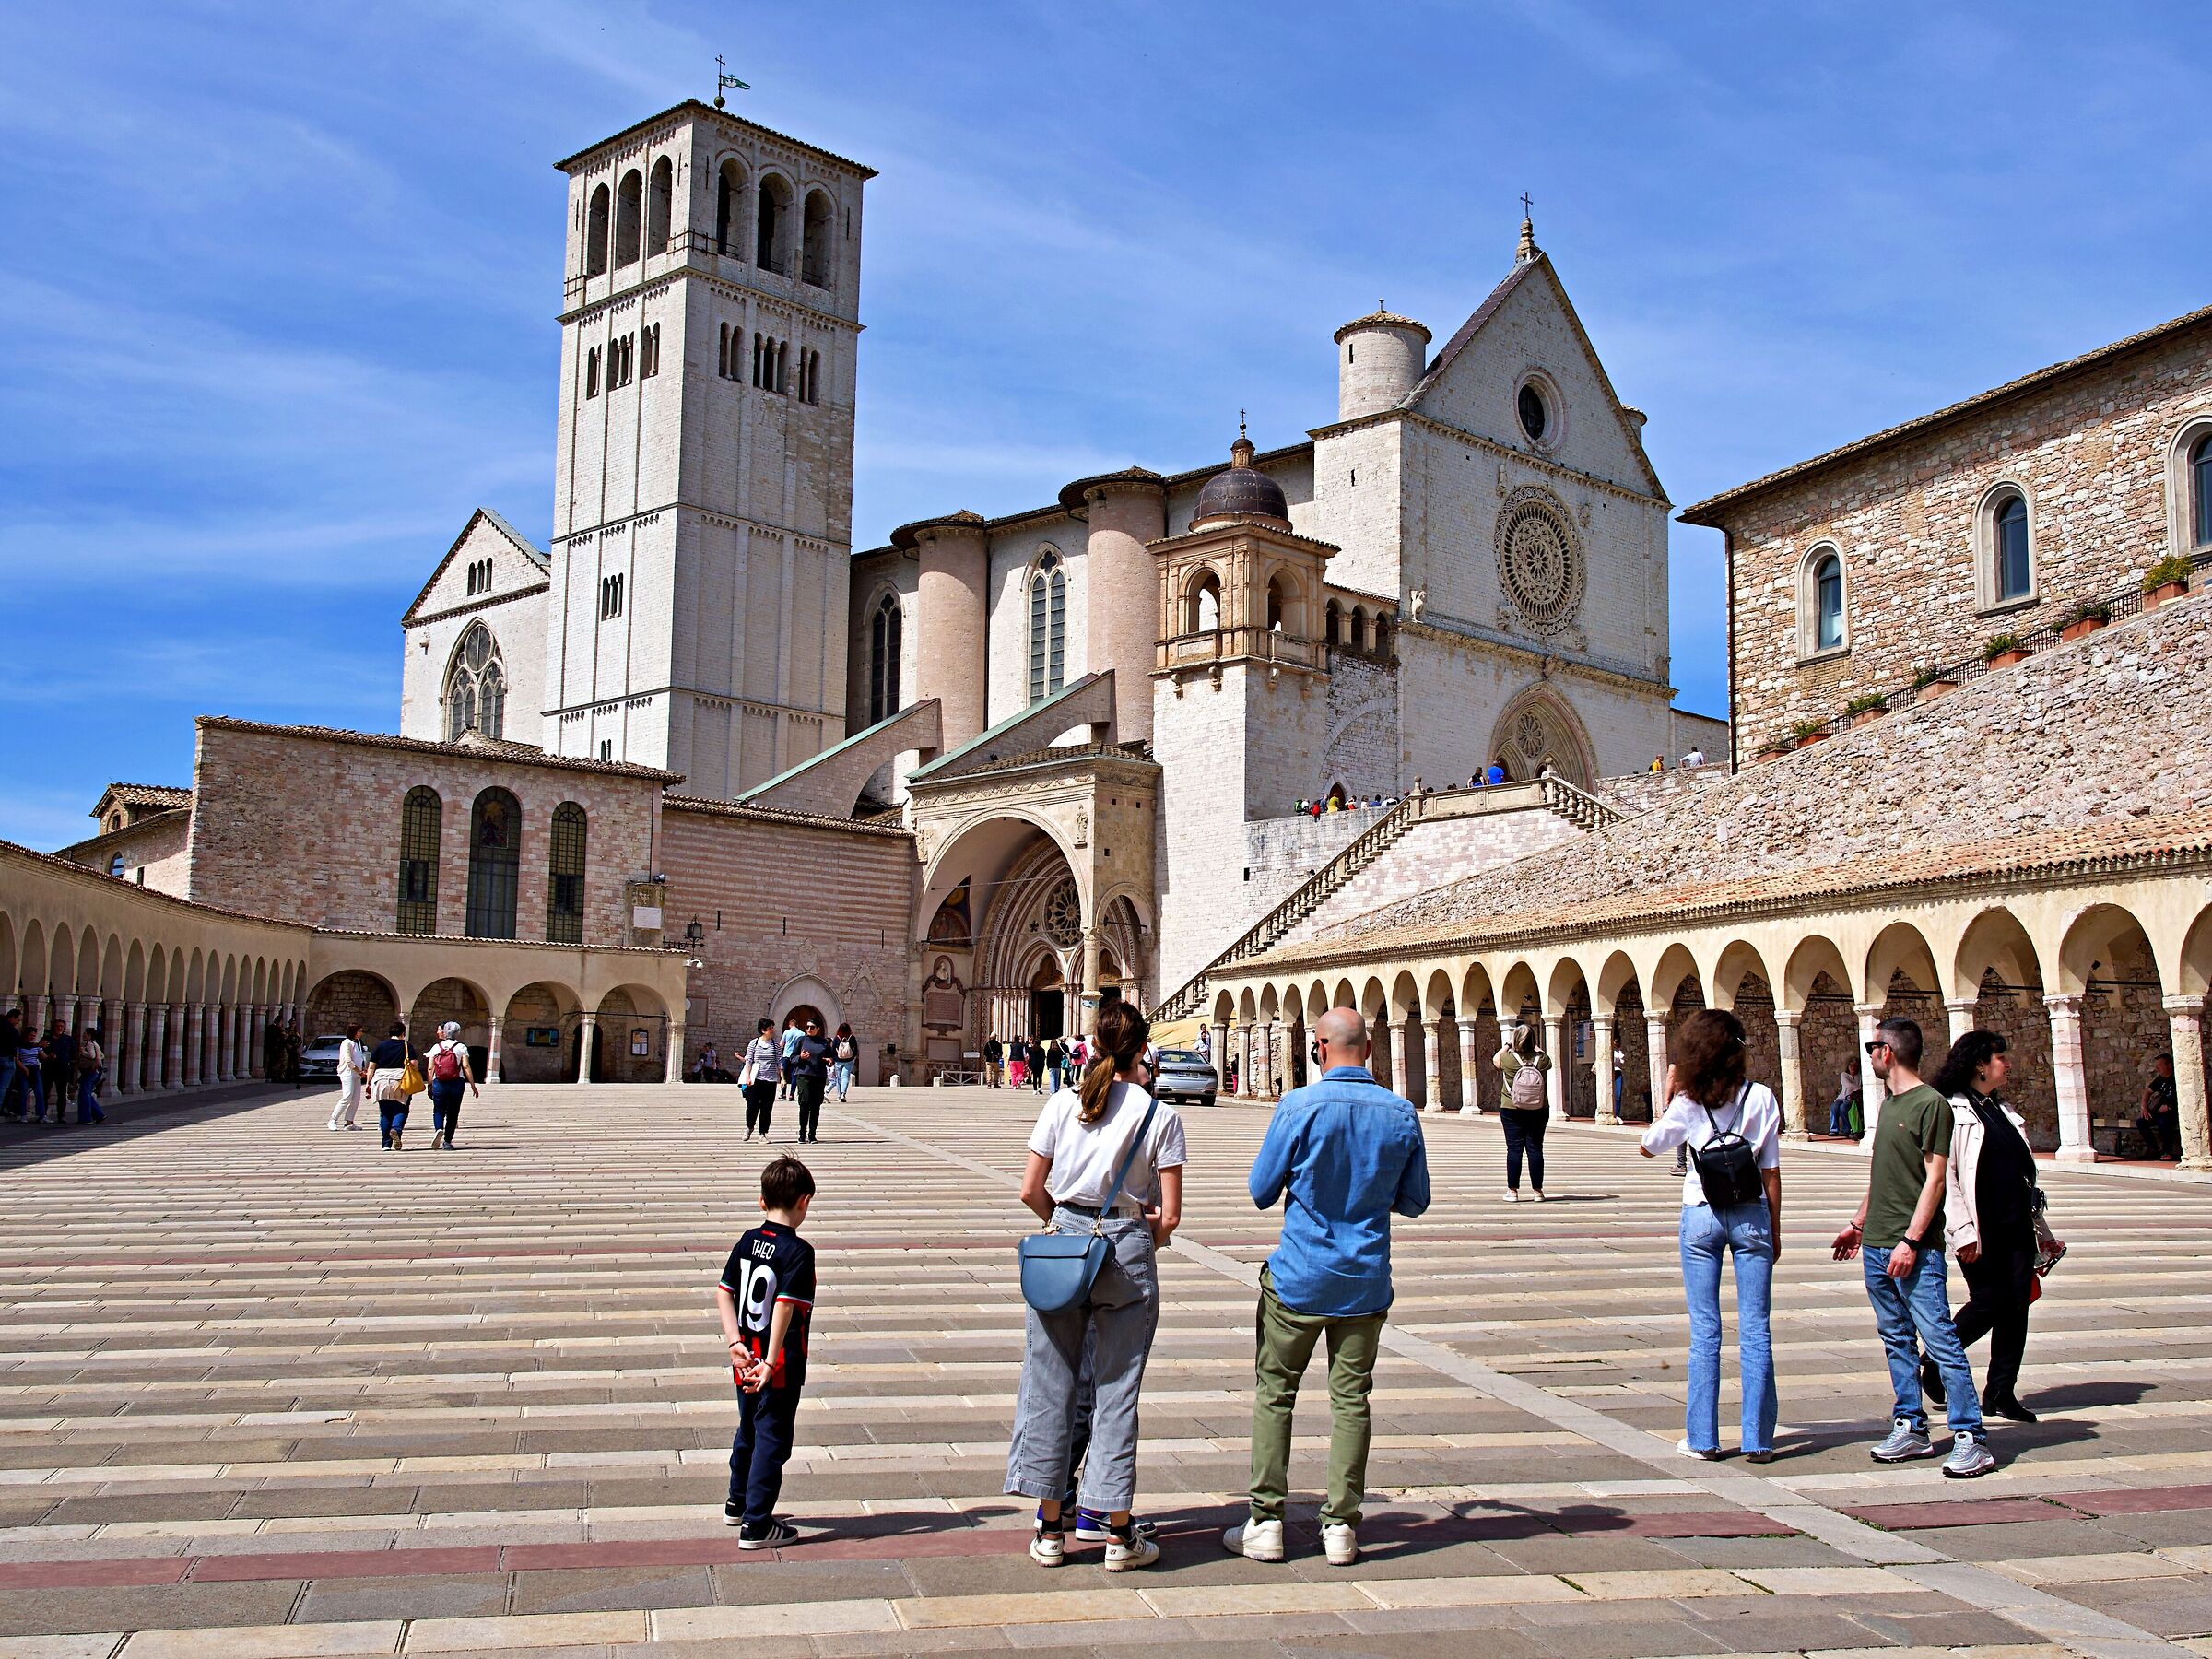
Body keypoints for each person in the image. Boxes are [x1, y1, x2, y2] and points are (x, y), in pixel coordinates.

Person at [1226, 1006, 1430, 1567]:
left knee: (1276, 1394)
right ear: (1370, 1048)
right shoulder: (1400, 1112)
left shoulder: (1298, 1106)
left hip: (1299, 1277)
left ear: (1318, 1048)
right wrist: (1369, 1192)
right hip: (1364, 1280)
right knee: (1352, 1400)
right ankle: (1340, 1526)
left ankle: (1266, 1521)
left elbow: (1261, 1190)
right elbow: (1416, 1200)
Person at [1007, 1001, 1183, 1573]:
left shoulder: (1063, 1102)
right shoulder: (1160, 1115)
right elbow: (1170, 1216)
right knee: (1117, 1390)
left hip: (1064, 1244)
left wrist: (1065, 1228)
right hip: (1127, 1248)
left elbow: (1030, 1189)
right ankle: (1118, 1535)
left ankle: (1049, 1530)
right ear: (1143, 1050)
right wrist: (1134, 1237)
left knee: (1049, 1384)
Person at [1830, 1017, 1994, 1477]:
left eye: (1872, 1047)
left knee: (1940, 1338)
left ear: (1887, 1052)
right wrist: (1858, 1224)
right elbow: (1884, 1175)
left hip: (1913, 1249)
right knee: (1896, 1338)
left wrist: (1911, 1240)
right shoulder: (1888, 1105)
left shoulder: (1931, 1105)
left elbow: (1936, 1179)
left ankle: (1971, 1436)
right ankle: (1911, 1425)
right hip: (1877, 1244)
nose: (1869, 1056)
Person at [1639, 1009, 1781, 1462]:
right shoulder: (1762, 1098)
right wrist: (1774, 1231)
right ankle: (1759, 1440)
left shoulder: (1688, 1101)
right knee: (1756, 1328)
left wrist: (1670, 1096)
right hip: (1752, 1214)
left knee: (1705, 1330)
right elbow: (1771, 1171)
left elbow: (1648, 1146)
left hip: (1701, 1213)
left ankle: (1702, 1438)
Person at [1930, 1030, 2048, 1424]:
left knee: (2016, 1307)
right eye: (2001, 1058)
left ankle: (2001, 1390)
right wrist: (1962, 1231)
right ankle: (1936, 1359)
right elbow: (1946, 1178)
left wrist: (2043, 1231)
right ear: (1980, 1064)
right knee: (1989, 1302)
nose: (2007, 1064)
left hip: (2017, 1225)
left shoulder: (2002, 1110)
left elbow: (2024, 1175)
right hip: (1982, 1229)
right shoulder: (1952, 1110)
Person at [715, 1154, 818, 1548]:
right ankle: (757, 1523)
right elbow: (784, 1306)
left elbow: (723, 1292)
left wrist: (734, 1342)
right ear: (804, 1202)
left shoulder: (747, 1240)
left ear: (762, 1200)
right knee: (772, 1438)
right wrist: (773, 1361)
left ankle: (737, 1501)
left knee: (748, 1427)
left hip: (745, 1358)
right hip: (779, 1365)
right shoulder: (799, 1251)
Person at [1493, 1021, 1552, 1201]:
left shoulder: (1508, 1059)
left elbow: (1495, 1059)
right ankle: (1538, 1191)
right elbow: (1546, 1057)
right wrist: (1534, 1046)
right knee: (1535, 1148)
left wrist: (1508, 1044)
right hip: (1539, 1109)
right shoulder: (1542, 1060)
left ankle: (1513, 1191)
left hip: (1512, 1108)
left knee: (1514, 1149)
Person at [423, 1021, 479, 1150]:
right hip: (456, 1083)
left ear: (445, 1032)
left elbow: (430, 1068)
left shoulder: (436, 1047)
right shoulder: (461, 1047)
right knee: (453, 1113)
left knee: (438, 1110)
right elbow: (466, 1066)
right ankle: (447, 1142)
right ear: (457, 1033)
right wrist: (472, 1085)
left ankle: (438, 1129)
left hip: (439, 1082)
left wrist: (430, 1084)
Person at [366, 1021, 414, 1150]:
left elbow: (371, 1066)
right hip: (399, 1081)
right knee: (401, 1109)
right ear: (403, 1033)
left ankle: (386, 1144)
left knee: (385, 1113)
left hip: (381, 1081)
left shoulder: (380, 1046)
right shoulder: (406, 1046)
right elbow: (414, 1063)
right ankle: (396, 1129)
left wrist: (368, 1083)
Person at [790, 1017, 831, 1144]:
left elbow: (830, 1057)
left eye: (812, 1027)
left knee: (815, 1106)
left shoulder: (824, 1042)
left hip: (819, 1076)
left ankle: (812, 1134)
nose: (809, 1029)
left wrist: (829, 1060)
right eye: (807, 1027)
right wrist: (800, 1057)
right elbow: (792, 1058)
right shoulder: (801, 1040)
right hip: (804, 1076)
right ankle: (802, 1134)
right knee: (804, 1103)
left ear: (818, 1028)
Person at [739, 1018, 779, 1141]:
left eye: (772, 1027)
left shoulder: (775, 1045)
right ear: (763, 1030)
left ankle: (762, 1133)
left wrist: (782, 1078)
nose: (772, 1030)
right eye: (770, 1028)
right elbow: (748, 1061)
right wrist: (747, 1077)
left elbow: (779, 1062)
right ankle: (749, 1127)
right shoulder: (754, 1043)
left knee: (767, 1108)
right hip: (755, 1080)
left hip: (770, 1081)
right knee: (752, 1105)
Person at [2136, 1054, 2181, 1160]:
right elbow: (2147, 1091)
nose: (2157, 1068)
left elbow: (2186, 1096)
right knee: (2141, 1122)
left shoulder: (2178, 1078)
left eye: (2160, 1065)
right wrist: (2144, 1108)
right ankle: (2153, 1148)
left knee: (2164, 1122)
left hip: (2175, 1113)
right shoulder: (2160, 1079)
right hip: (2160, 1112)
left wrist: (2170, 1107)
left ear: (2169, 1065)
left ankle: (2167, 1152)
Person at [329, 1023, 369, 1131]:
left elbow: (358, 1058)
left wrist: (362, 1070)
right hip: (348, 1074)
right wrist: (360, 1072)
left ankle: (349, 1122)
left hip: (356, 1075)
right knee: (347, 1096)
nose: (361, 1033)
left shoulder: (356, 1043)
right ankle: (333, 1119)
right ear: (354, 1032)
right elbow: (348, 1061)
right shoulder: (346, 1043)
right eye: (359, 1031)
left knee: (356, 1099)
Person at [74, 1025, 106, 1125]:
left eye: (85, 1034)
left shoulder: (89, 1044)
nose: (83, 1035)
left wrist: (83, 1052)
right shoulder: (95, 1044)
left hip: (90, 1071)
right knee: (87, 1093)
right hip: (95, 1071)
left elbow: (92, 1056)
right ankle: (98, 1114)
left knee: (84, 1094)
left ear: (90, 1035)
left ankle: (85, 1118)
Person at [1829, 1067, 1861, 1137]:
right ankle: (1833, 1130)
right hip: (1842, 1097)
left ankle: (1846, 1129)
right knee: (1834, 1107)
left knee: (1843, 1108)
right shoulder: (1844, 1075)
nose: (1853, 1068)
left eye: (1855, 1066)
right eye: (1851, 1065)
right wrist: (1858, 1088)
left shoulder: (1859, 1076)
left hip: (1851, 1099)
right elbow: (1848, 1085)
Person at [0, 1009, 20, 1121]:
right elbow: (19, 1043)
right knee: (3, 1087)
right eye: (17, 1020)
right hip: (7, 1059)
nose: (18, 1022)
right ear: (12, 1017)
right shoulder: (12, 1030)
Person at [829, 1024, 857, 1102]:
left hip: (838, 1061)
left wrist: (833, 1059)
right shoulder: (852, 1038)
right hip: (849, 1061)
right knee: (845, 1077)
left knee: (839, 1078)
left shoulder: (837, 1038)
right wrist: (852, 1057)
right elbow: (855, 1049)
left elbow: (833, 1050)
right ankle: (843, 1094)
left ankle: (838, 1096)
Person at [777, 1019, 804, 1102]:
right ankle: (792, 1095)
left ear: (789, 1025)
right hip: (796, 1056)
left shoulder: (786, 1032)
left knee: (784, 1075)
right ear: (797, 1025)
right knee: (794, 1075)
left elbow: (781, 1044)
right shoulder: (802, 1033)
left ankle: (783, 1094)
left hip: (786, 1055)